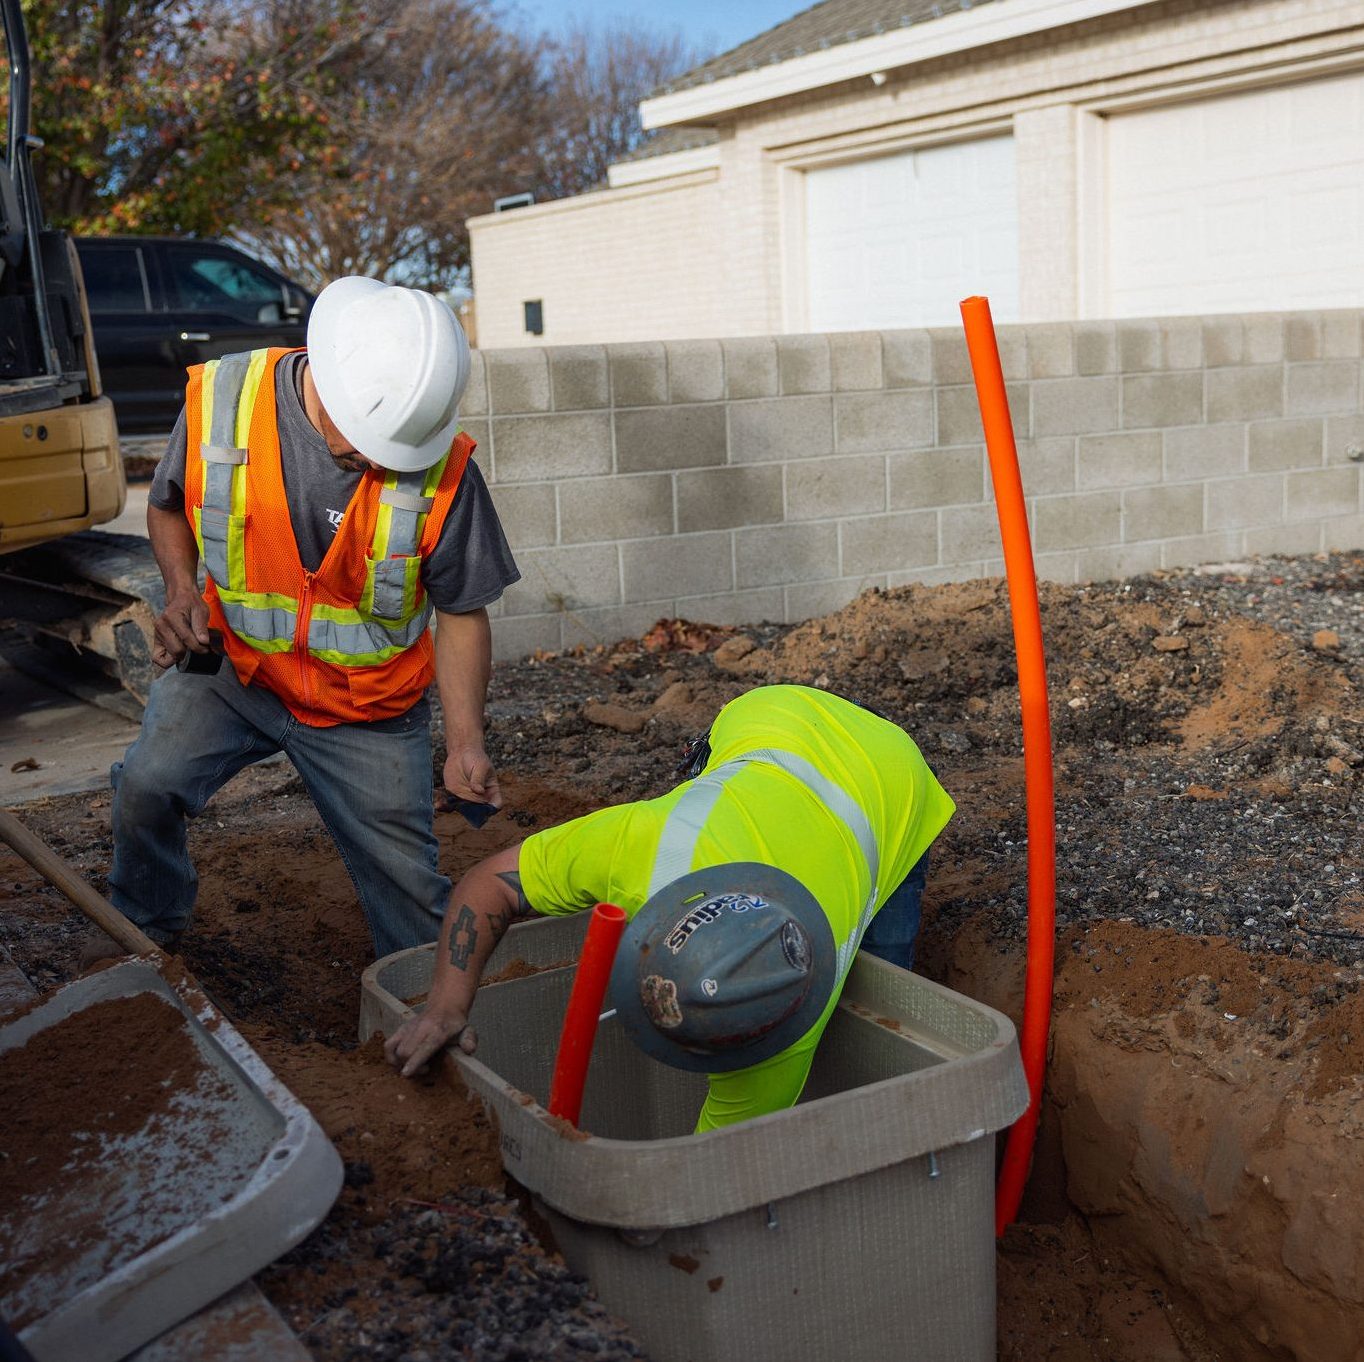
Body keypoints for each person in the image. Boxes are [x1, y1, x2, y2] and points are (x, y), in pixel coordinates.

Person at [88, 277, 519, 965]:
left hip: (366, 708)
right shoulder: (225, 403)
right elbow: (168, 503)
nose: (381, 465)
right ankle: (145, 932)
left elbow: (463, 613)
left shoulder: (448, 472)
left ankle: (422, 1010)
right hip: (236, 672)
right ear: (329, 380)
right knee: (146, 788)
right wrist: (180, 591)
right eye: (367, 446)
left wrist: (466, 742)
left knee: (409, 898)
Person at [384, 684, 955, 1131]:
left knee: (879, 974)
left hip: (890, 776)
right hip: (767, 717)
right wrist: (445, 1006)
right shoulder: (638, 844)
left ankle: (871, 1112)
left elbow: (717, 1173)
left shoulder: (780, 1048)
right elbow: (491, 883)